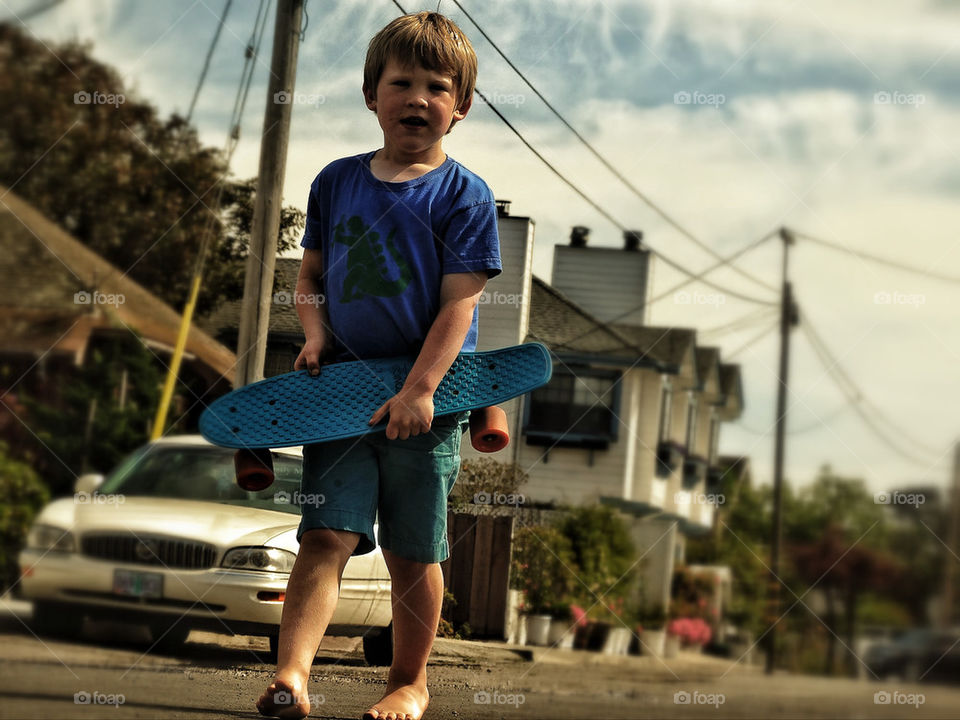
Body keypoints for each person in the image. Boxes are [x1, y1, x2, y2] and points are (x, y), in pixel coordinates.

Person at [257, 11, 500, 720]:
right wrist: (311, 332)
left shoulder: (466, 196)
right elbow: (310, 276)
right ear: (372, 95)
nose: (417, 97)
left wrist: (420, 389)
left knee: (411, 551)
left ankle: (408, 681)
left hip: (430, 397)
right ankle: (292, 677)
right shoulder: (336, 182)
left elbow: (460, 306)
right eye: (402, 82)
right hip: (341, 391)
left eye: (437, 85)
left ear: (461, 108)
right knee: (324, 535)